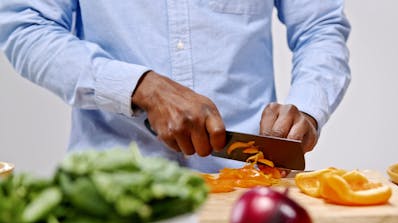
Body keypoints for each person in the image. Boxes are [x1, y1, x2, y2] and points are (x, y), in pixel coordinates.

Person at [0, 1, 351, 173]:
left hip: (251, 187)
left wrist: (307, 107)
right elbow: (25, 27)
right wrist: (139, 87)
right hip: (112, 188)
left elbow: (320, 27)